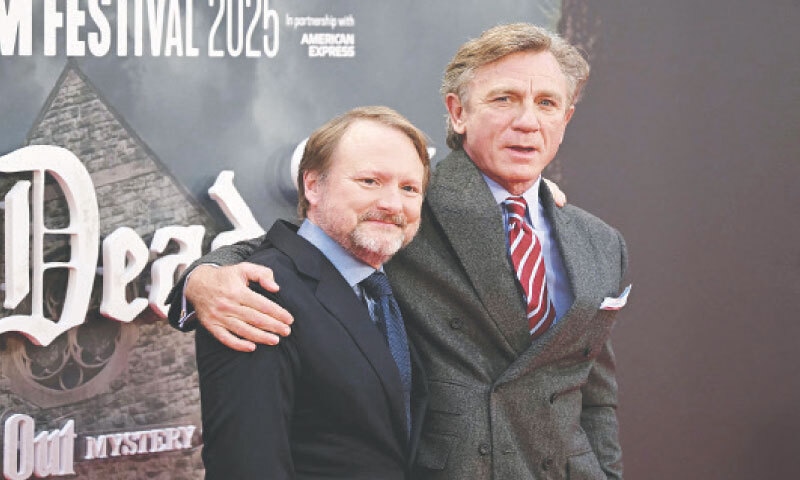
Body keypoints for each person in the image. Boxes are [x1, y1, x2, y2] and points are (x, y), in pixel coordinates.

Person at [171, 23, 629, 480]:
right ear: (458, 112)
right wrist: (203, 276)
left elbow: (594, 392)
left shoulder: (600, 242)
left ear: (564, 119)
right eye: (503, 98)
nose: (527, 121)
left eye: (546, 103)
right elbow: (305, 247)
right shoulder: (410, 203)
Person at [192, 106, 431, 479]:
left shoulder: (399, 281)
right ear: (313, 185)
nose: (392, 204)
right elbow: (247, 467)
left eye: (409, 188)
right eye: (369, 181)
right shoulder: (257, 293)